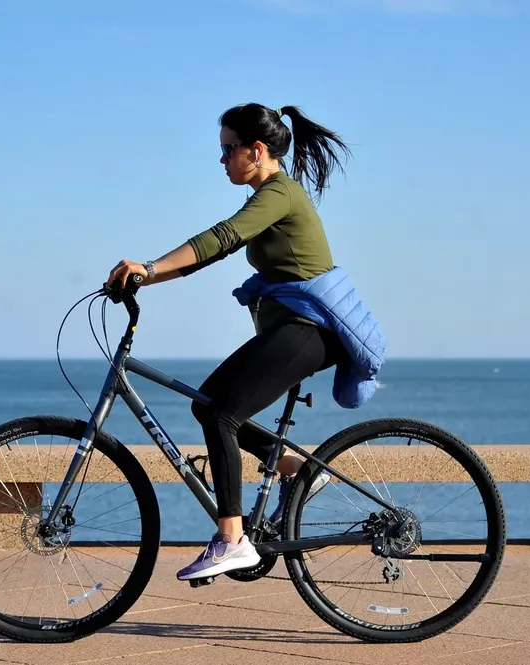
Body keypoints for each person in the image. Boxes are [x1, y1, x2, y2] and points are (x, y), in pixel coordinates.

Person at [107, 103, 384, 582]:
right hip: (296, 330)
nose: (222, 161)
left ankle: (232, 540)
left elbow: (224, 236)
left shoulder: (281, 193)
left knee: (220, 414)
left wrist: (149, 267)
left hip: (310, 330)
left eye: (227, 150)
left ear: (256, 151)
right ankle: (297, 467)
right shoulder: (272, 194)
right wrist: (145, 278)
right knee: (208, 404)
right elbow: (213, 252)